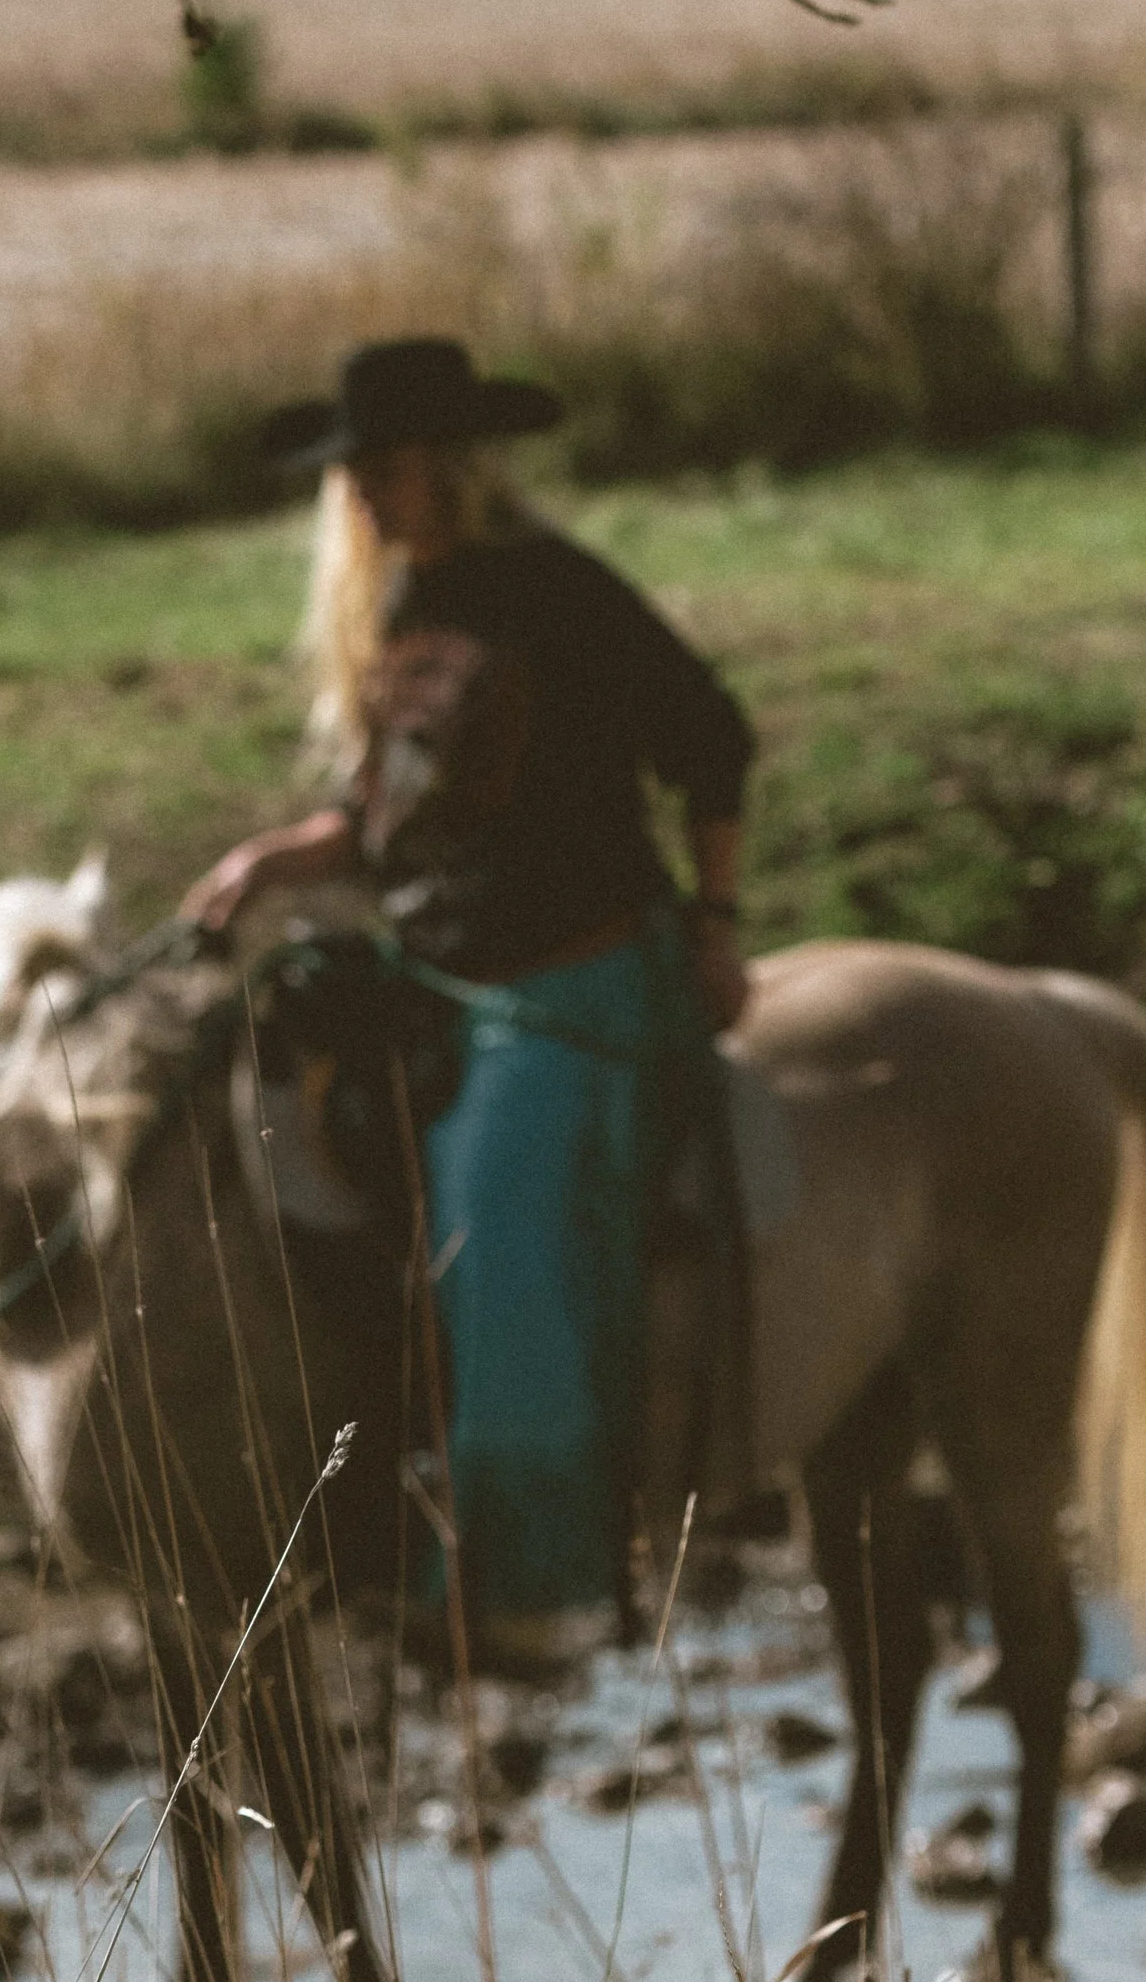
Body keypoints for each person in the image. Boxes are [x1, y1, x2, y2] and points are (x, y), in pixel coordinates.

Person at [184, 335, 757, 1652]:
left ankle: (529, 1573)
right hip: (438, 972)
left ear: (453, 464)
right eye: (353, 478)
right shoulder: (397, 607)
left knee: (487, 1212)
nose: (366, 498)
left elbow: (710, 735)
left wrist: (717, 928)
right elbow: (386, 819)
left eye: (385, 470)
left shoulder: (557, 592)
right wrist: (269, 862)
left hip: (576, 981)